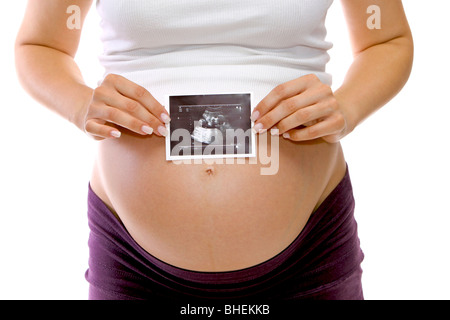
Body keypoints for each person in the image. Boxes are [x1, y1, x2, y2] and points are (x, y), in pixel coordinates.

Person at [15, 0, 413, 301]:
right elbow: (40, 44)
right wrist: (78, 103)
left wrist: (349, 105)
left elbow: (387, 39)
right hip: (133, 264)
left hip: (308, 257)